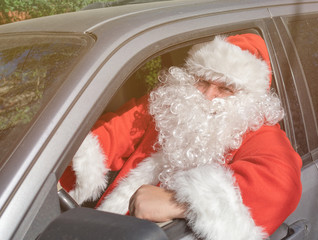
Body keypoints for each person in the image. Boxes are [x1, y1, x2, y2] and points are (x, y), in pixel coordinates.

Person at [60, 34, 302, 240]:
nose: (208, 96)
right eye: (202, 81)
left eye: (225, 88)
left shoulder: (259, 130)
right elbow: (108, 135)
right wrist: (55, 172)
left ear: (247, 98)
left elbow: (282, 184)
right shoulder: (169, 105)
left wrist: (178, 203)